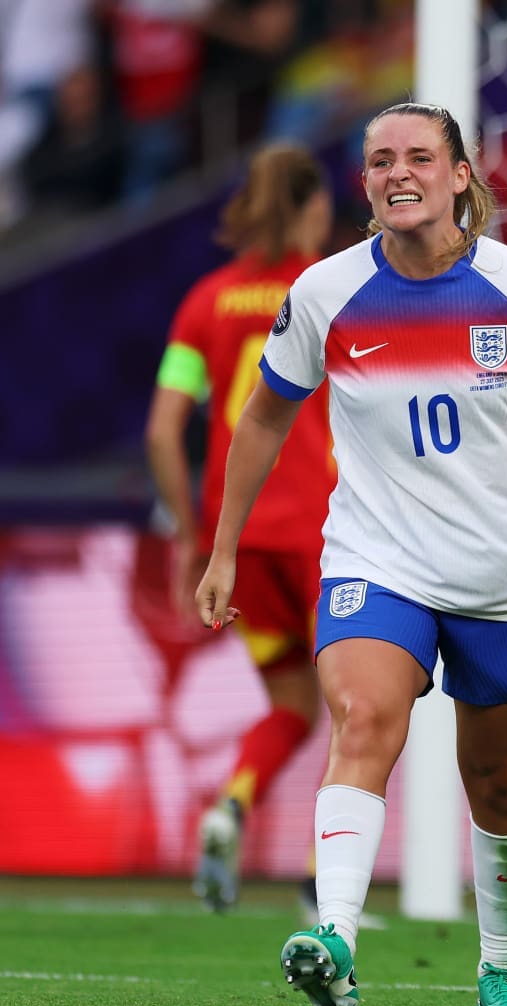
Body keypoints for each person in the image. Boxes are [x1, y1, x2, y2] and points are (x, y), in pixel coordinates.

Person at [195, 101, 507, 1006]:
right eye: (380, 161)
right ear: (365, 183)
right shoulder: (324, 293)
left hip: (498, 574)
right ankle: (333, 935)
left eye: (419, 156)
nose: (398, 173)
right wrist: (222, 548)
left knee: (497, 782)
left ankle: (499, 966)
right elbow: (261, 416)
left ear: (461, 174)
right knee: (362, 716)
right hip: (376, 559)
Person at [145, 141, 335, 914]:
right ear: (312, 208)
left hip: (243, 541)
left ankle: (232, 803)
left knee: (292, 702)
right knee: (358, 706)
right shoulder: (328, 292)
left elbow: (163, 431)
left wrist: (194, 535)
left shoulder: (205, 301)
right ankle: (325, 880)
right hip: (326, 534)